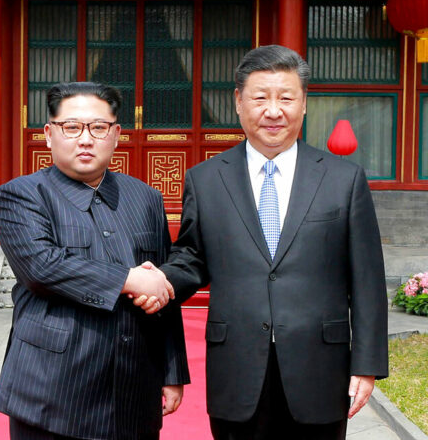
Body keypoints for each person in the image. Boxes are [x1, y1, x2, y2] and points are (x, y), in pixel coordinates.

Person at [143, 45, 388, 439]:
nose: (273, 111)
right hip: (237, 364)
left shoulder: (344, 179)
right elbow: (192, 256)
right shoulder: (206, 180)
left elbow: (368, 280)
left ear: (304, 104)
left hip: (320, 365)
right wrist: (161, 280)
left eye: (286, 98)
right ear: (239, 102)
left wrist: (367, 363)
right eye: (260, 98)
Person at [0, 81, 190, 440]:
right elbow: (42, 266)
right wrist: (129, 280)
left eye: (98, 128)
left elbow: (162, 290)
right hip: (51, 391)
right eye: (72, 127)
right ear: (49, 134)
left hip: (133, 388)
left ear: (116, 135)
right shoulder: (21, 195)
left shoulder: (145, 198)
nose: (85, 139)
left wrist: (172, 372)